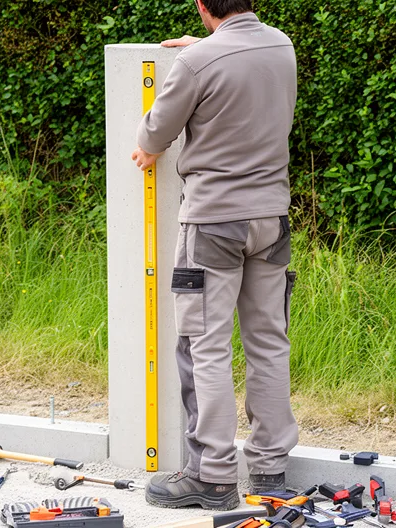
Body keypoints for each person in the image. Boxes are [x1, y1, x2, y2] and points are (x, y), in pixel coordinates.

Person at [131, 0, 299, 511]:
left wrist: (195, 60)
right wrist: (203, 53)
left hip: (212, 224)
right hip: (271, 219)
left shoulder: (196, 62)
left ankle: (212, 476)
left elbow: (153, 135)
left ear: (203, 6)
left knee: (204, 345)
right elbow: (238, 67)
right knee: (269, 341)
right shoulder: (282, 45)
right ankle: (270, 471)